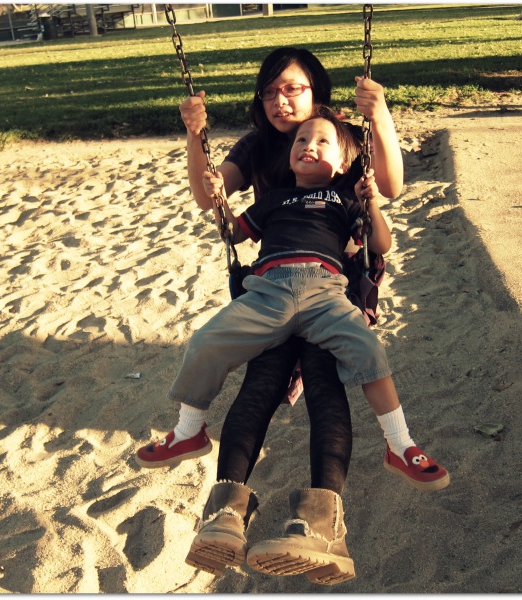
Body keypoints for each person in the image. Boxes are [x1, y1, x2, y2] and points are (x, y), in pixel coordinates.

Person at [136, 48, 448, 492]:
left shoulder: (342, 137)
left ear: (316, 92)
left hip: (335, 285)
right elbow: (212, 201)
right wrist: (195, 136)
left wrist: (379, 115)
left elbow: (391, 188)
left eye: (291, 89)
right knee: (259, 380)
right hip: (271, 285)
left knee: (328, 381)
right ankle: (219, 488)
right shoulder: (259, 148)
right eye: (268, 92)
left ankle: (365, 473)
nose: (279, 101)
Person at [172, 108, 433, 584]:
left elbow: (381, 244)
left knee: (353, 366)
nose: (308, 146)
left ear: (343, 162)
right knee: (230, 363)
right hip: (269, 291)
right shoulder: (273, 197)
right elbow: (233, 232)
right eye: (300, 141)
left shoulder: (344, 198)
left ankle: (397, 448)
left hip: (326, 292)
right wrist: (219, 201)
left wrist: (371, 203)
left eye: (321, 142)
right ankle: (213, 487)